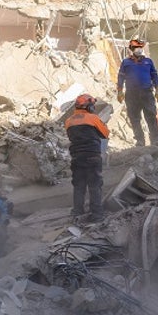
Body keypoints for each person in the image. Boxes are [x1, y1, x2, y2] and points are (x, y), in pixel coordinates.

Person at [65, 94, 110, 222]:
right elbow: (105, 134)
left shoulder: (69, 121)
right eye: (92, 106)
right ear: (88, 106)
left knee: (79, 186)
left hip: (77, 157)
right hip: (92, 156)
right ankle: (96, 215)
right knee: (95, 185)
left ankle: (77, 212)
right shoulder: (93, 118)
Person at [116, 37, 158, 147]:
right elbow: (121, 77)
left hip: (147, 93)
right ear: (132, 48)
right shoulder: (126, 62)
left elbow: (154, 75)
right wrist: (120, 91)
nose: (139, 49)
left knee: (151, 116)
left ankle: (155, 140)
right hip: (132, 94)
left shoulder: (148, 61)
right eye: (136, 47)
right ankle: (140, 140)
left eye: (140, 47)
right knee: (134, 118)